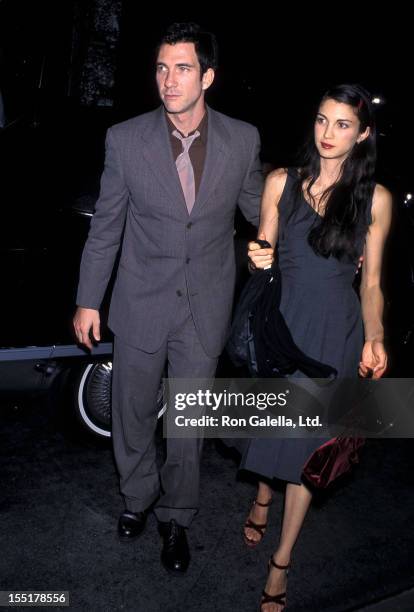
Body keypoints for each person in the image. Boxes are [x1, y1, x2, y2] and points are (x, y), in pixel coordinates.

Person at [73, 22, 263, 574]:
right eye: (161, 67)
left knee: (187, 423)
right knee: (132, 416)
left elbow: (260, 211)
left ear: (207, 76)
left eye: (182, 68)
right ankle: (137, 498)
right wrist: (89, 299)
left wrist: (322, 237)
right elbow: (106, 226)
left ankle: (176, 517)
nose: (168, 79)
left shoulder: (242, 139)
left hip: (204, 306)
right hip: (138, 301)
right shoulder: (125, 139)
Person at [242, 84, 391, 611]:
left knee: (308, 449)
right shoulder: (281, 181)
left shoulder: (375, 199)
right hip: (283, 325)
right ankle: (262, 495)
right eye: (323, 121)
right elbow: (263, 244)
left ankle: (281, 562)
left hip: (335, 335)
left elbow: (371, 283)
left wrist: (374, 336)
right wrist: (256, 254)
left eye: (343, 125)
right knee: (271, 427)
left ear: (363, 133)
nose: (328, 134)